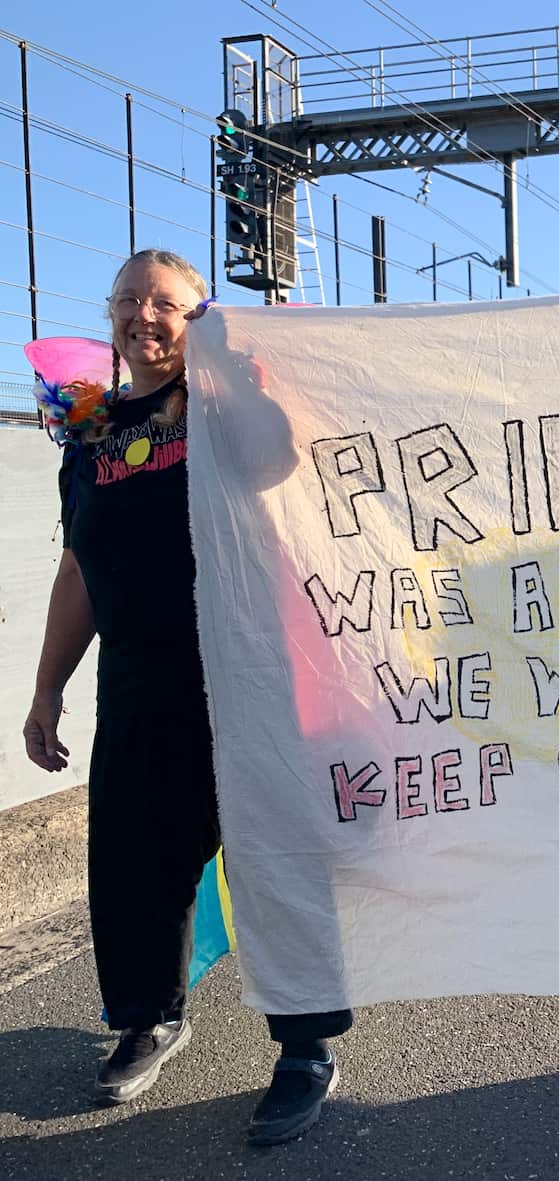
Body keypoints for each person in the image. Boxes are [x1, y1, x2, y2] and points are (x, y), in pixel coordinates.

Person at [21, 248, 351, 1145]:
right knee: (137, 866)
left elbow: (291, 463)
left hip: (247, 677)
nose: (142, 316)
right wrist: (47, 687)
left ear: (198, 316)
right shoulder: (87, 431)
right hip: (139, 680)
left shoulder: (227, 408)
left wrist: (242, 367)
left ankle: (306, 1045)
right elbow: (79, 563)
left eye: (165, 303)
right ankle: (150, 1016)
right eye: (126, 301)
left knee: (272, 861)